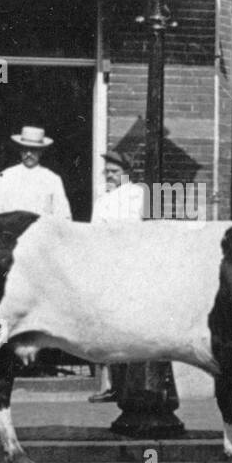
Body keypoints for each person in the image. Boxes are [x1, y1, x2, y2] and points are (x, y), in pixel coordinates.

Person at [87, 151, 143, 402]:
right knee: (107, 326)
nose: (109, 175)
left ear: (126, 173)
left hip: (131, 267)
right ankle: (111, 385)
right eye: (107, 171)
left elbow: (140, 229)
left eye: (114, 171)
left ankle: (131, 387)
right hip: (106, 268)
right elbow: (94, 234)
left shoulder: (138, 195)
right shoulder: (103, 200)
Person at [0, 125, 72, 219]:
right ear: (20, 150)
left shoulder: (52, 179)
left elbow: (63, 216)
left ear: (41, 151)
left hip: (42, 228)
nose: (28, 154)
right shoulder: (4, 177)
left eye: (33, 149)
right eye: (25, 149)